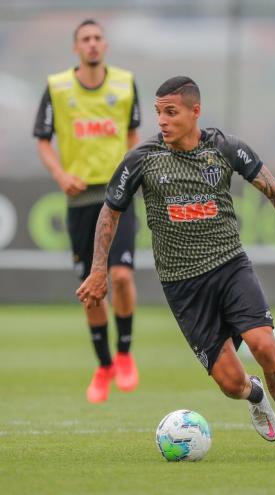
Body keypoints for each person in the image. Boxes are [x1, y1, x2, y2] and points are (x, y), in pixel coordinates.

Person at [75, 76, 275, 460]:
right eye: (159, 111)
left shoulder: (225, 149)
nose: (161, 120)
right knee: (230, 383)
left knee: (265, 345)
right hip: (184, 286)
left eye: (171, 112)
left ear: (196, 112)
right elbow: (109, 213)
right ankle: (255, 394)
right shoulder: (142, 159)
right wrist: (98, 271)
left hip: (231, 268)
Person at [33, 19, 141, 404]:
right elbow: (42, 140)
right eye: (85, 39)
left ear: (105, 45)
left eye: (98, 38)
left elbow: (132, 135)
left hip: (118, 196)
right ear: (76, 48)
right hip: (79, 201)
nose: (92, 45)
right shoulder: (58, 87)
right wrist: (61, 174)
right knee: (92, 291)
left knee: (122, 277)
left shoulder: (125, 84)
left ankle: (125, 352)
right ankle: (104, 365)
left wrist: (131, 172)